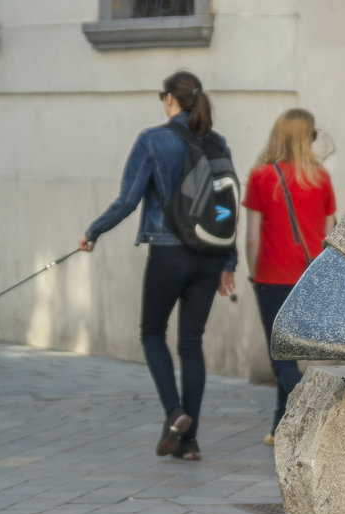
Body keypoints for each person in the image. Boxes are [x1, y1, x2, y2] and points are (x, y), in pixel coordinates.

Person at [78, 71, 237, 462]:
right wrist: (229, 261)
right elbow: (229, 205)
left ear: (169, 100)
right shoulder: (217, 142)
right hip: (210, 255)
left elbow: (128, 199)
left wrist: (94, 232)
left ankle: (174, 412)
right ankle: (190, 443)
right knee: (191, 345)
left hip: (168, 252)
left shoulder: (153, 139)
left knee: (152, 332)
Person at [242, 109, 337, 445]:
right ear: (308, 139)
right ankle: (277, 426)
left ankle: (312, 411)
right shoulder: (321, 179)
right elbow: (329, 236)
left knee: (279, 356)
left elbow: (253, 236)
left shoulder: (261, 177)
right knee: (291, 350)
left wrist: (253, 273)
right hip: (309, 278)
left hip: (272, 277)